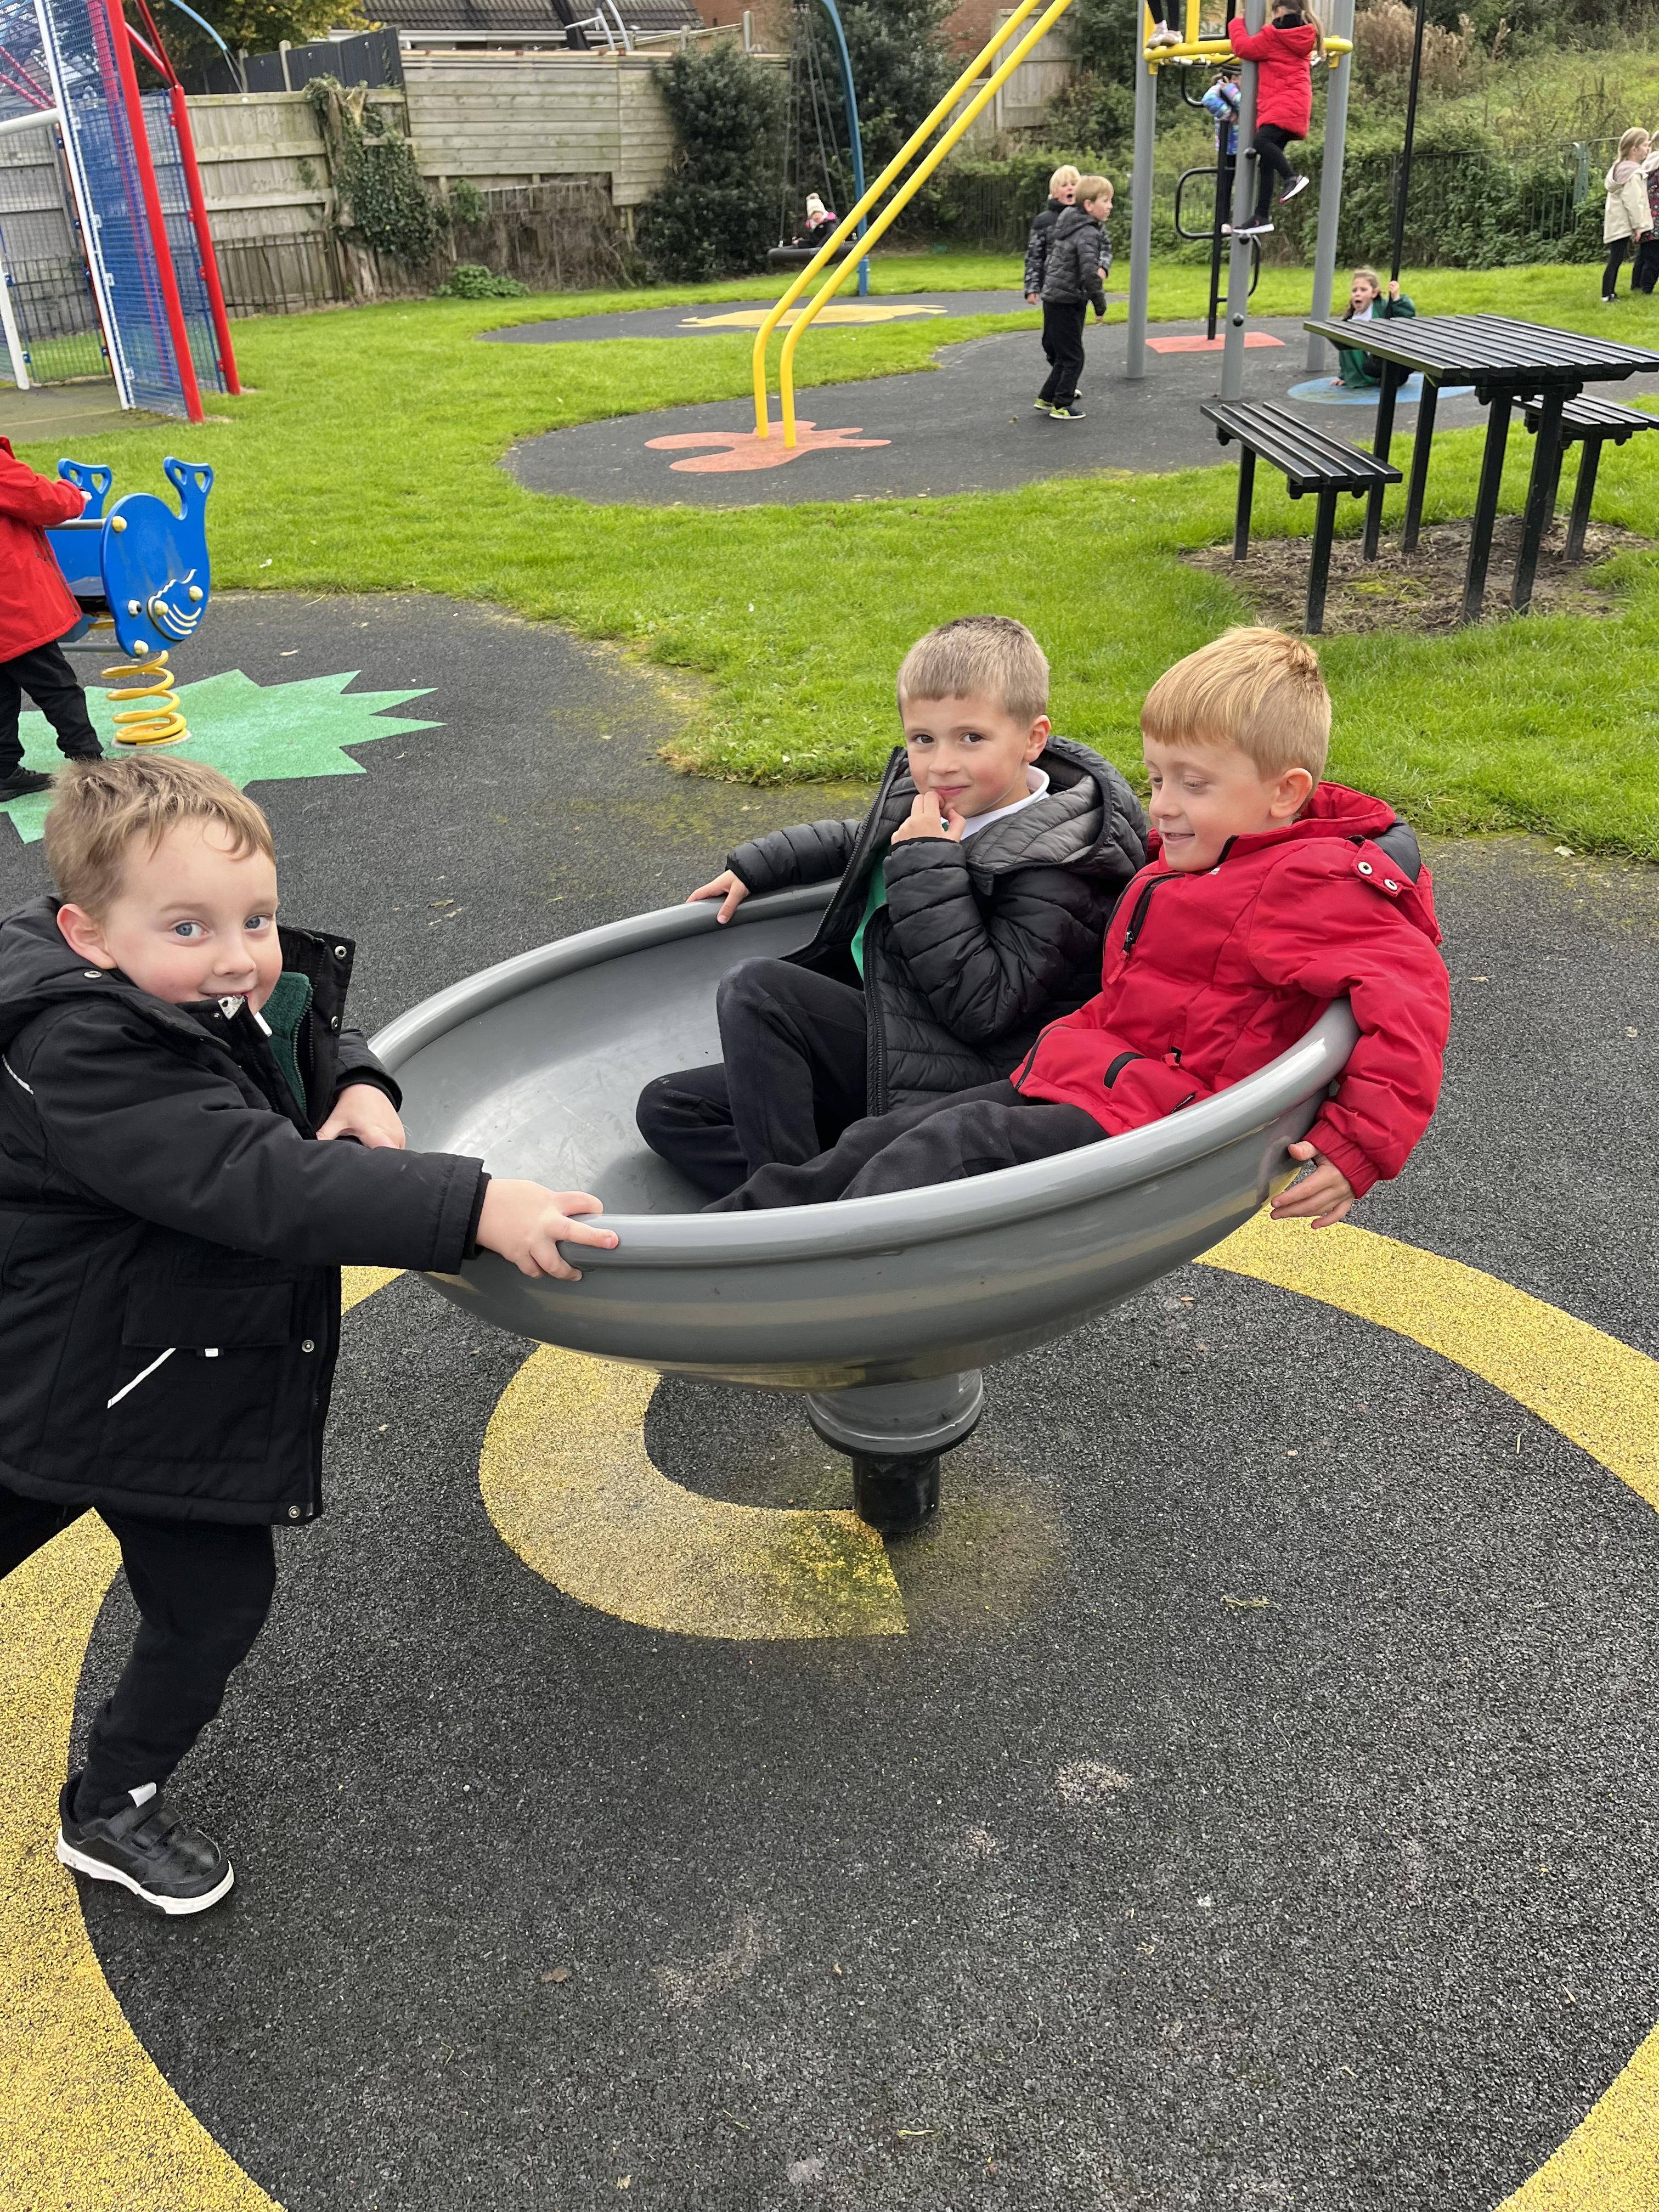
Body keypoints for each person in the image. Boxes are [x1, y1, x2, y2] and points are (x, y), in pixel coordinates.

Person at [0, 756, 617, 1914]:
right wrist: (474, 1205)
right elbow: (257, 1176)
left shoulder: (186, 984)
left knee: (210, 1604)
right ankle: (113, 1808)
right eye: (191, 926)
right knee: (185, 1590)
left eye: (257, 916)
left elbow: (296, 1023)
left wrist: (363, 1080)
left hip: (154, 1377)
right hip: (78, 1377)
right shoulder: (79, 1050)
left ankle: (113, 1796)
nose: (239, 954)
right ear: (88, 933)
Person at [707, 629, 1451, 1237]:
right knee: (881, 1138)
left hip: (1156, 1115)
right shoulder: (1208, 857)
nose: (1164, 805)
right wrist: (764, 862)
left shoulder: (1311, 884)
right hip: (1087, 1071)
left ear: (1284, 794)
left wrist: (1358, 1149)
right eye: (1156, 779)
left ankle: (796, 1272)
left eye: (1193, 784)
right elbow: (863, 835)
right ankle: (724, 1241)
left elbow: (1409, 999)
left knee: (951, 1144)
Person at [635, 617, 1147, 1201]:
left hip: (963, 1071)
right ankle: (832, 1181)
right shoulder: (956, 802)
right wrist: (760, 864)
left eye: (970, 738)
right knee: (672, 1107)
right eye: (923, 739)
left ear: (1033, 739)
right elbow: (860, 839)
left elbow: (984, 1011)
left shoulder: (1059, 865)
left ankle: (788, 1218)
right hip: (899, 1032)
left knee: (760, 991)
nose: (941, 763)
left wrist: (927, 863)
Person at [0, 437, 103, 803]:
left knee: (2, 689)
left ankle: (3, 771)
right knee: (57, 685)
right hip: (10, 606)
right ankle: (90, 765)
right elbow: (41, 499)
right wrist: (74, 495)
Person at [1226, 0, 1322, 238]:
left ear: (1278, 11)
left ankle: (1292, 177)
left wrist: (1238, 22)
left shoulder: (1274, 36)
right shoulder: (1304, 33)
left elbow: (1243, 48)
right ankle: (1262, 216)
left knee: (1261, 142)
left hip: (1282, 105)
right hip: (1297, 104)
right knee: (1266, 162)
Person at [1039, 173, 1113, 422]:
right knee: (1074, 357)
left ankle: (1047, 397)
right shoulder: (1087, 233)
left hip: (1055, 298)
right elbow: (1090, 274)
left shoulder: (1069, 224)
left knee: (1065, 355)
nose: (1110, 206)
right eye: (1106, 201)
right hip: (1067, 300)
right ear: (1089, 205)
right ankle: (1062, 404)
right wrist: (1100, 305)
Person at [1333, 266, 1417, 389]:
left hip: (1385, 367)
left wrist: (1397, 299)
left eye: (1363, 290)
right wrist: (1345, 376)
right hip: (1367, 372)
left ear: (1374, 293)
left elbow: (1406, 317)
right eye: (1355, 291)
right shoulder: (1350, 322)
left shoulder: (1384, 309)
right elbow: (1346, 356)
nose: (1358, 294)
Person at [1601, 127, 1653, 303]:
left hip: (1616, 221)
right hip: (1624, 222)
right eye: (1645, 145)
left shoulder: (1619, 168)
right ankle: (1607, 294)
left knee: (1616, 257)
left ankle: (1610, 292)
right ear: (1634, 149)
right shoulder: (1633, 173)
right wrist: (1638, 226)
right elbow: (1634, 202)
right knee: (1616, 258)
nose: (1648, 149)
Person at [1024, 164, 1079, 306]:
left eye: (1074, 184)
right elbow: (1034, 257)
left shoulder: (1084, 219)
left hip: (1078, 288)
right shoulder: (1044, 221)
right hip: (1052, 287)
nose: (1070, 188)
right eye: (1064, 185)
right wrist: (1032, 286)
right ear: (1054, 193)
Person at [1633, 137, 1659, 294]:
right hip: (1657, 219)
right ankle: (1647, 288)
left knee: (1644, 254)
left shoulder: (1648, 164)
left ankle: (1636, 284)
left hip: (1646, 215)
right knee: (1655, 259)